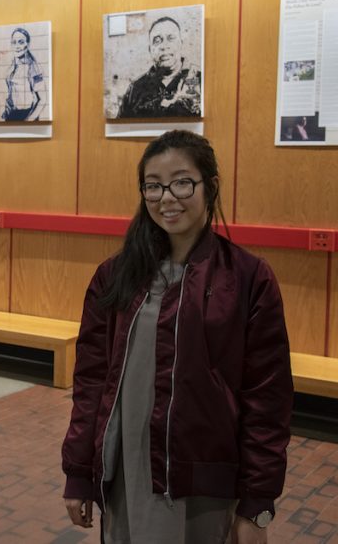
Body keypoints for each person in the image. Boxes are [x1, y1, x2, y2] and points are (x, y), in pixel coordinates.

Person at [62, 130, 292, 544]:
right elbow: (92, 382)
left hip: (203, 484)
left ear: (211, 187)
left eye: (183, 182)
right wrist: (79, 472)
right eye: (153, 185)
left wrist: (257, 504)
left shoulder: (246, 279)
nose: (167, 197)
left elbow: (267, 400)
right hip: (127, 476)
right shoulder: (114, 277)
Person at [118, 16, 201, 119]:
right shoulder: (135, 89)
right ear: (150, 49)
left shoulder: (200, 80)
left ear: (181, 44)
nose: (164, 46)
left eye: (171, 38)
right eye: (157, 41)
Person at [2, 27, 45, 121]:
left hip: (27, 115)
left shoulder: (34, 67)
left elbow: (42, 100)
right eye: (14, 42)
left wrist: (29, 120)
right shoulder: (12, 66)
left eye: (21, 42)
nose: (17, 46)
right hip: (11, 116)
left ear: (28, 44)